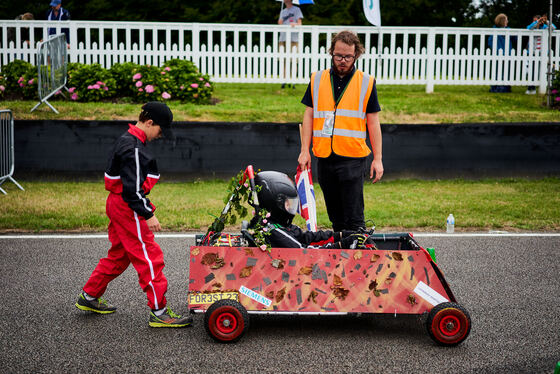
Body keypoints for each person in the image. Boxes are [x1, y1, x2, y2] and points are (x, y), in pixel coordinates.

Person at [76, 102, 193, 328]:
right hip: (128, 207)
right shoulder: (135, 149)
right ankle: (159, 312)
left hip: (117, 204)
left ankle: (89, 296)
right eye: (160, 130)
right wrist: (148, 213)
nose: (160, 136)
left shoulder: (126, 140)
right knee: (149, 258)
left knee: (119, 255)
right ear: (149, 123)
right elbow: (133, 190)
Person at [298, 30, 383, 232]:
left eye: (348, 56)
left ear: (356, 55)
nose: (342, 60)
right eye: (338, 55)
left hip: (352, 159)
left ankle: (357, 254)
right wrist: (304, 150)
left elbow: (373, 122)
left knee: (354, 219)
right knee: (336, 219)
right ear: (331, 53)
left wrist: (378, 158)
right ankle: (340, 256)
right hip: (325, 158)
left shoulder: (366, 82)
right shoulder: (317, 79)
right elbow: (309, 115)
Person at [250, 171, 370, 249]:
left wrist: (341, 235)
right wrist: (342, 245)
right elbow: (305, 253)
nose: (291, 208)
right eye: (288, 204)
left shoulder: (278, 225)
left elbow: (306, 238)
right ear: (274, 204)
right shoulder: (273, 231)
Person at [525, 14, 556, 94]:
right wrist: (537, 22)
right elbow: (528, 28)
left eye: (538, 20)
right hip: (533, 53)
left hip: (543, 53)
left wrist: (547, 21)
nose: (536, 22)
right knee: (532, 70)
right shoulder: (533, 27)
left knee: (543, 70)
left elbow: (553, 28)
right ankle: (531, 88)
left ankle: (545, 86)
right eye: (534, 20)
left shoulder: (545, 27)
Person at [487, 13, 517, 93]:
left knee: (505, 71)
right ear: (503, 21)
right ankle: (497, 88)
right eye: (506, 20)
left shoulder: (509, 30)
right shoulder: (494, 30)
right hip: (498, 54)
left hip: (506, 54)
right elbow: (490, 42)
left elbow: (515, 39)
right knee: (498, 71)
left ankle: (504, 88)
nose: (507, 21)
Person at [278, 0, 303, 89]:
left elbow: (300, 23)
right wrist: (280, 22)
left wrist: (295, 24)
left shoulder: (296, 10)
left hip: (293, 39)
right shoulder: (283, 11)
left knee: (293, 60)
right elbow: (280, 24)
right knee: (284, 60)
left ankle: (293, 81)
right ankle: (284, 80)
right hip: (283, 38)